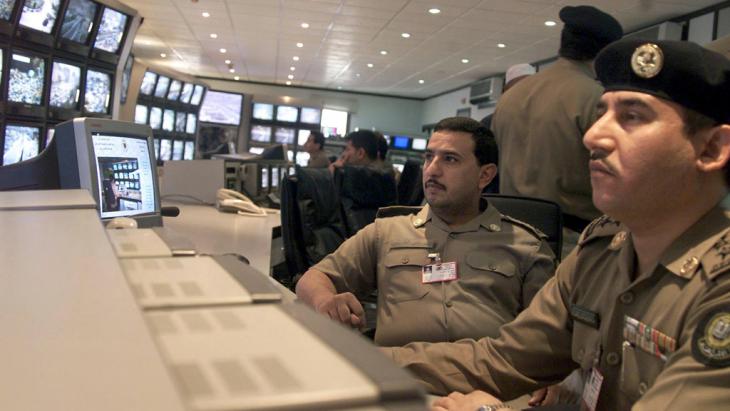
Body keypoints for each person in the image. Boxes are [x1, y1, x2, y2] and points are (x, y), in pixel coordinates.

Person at [384, 39, 730, 411]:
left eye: (632, 116)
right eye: (601, 114)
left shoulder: (719, 286)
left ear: (711, 149)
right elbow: (504, 359)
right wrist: (358, 359)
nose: (593, 136)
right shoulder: (602, 250)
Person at [296, 117, 555, 346]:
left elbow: (550, 336)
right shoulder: (386, 232)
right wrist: (324, 302)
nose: (432, 169)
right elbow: (313, 279)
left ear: (485, 175)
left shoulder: (526, 247)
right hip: (397, 381)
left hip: (485, 387)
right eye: (429, 157)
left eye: (450, 159)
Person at [491, 5, 623, 244]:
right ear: (605, 52)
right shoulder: (595, 98)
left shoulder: (511, 96)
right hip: (568, 239)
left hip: (508, 234)